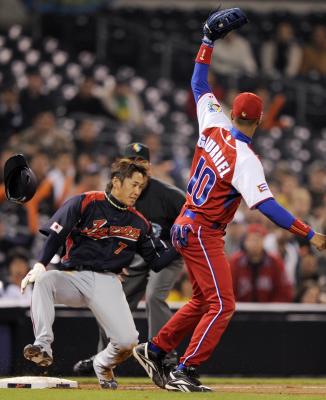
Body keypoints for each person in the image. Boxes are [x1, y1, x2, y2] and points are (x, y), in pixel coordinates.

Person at [132, 8, 326, 393]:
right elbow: (267, 206)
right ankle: (184, 368)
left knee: (205, 298)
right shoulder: (246, 160)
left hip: (185, 224)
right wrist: (308, 234)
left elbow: (198, 83)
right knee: (222, 304)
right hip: (204, 230)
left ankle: (155, 349)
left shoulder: (214, 121)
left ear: (233, 111)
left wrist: (207, 41)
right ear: (260, 121)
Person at [20, 158, 178, 389]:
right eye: (133, 184)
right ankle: (42, 346)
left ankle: (103, 363)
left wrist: (179, 245)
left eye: (140, 187)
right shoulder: (86, 202)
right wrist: (41, 264)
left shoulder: (139, 222)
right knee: (43, 280)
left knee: (127, 342)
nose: (137, 191)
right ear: (116, 181)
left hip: (108, 282)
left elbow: (156, 262)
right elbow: (57, 233)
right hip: (74, 277)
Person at [73, 142, 185, 374]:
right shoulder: (116, 195)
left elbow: (191, 219)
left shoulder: (169, 195)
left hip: (166, 255)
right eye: (131, 163)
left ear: (149, 168)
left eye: (141, 163)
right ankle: (103, 357)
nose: (137, 168)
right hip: (135, 257)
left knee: (154, 296)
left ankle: (163, 356)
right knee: (112, 299)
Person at [230, 224, 293, 302]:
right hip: (240, 310)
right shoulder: (235, 262)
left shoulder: (275, 262)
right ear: (245, 242)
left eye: (258, 239)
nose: (254, 243)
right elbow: (229, 290)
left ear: (264, 241)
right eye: (251, 239)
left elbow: (284, 291)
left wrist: (272, 310)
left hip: (269, 311)